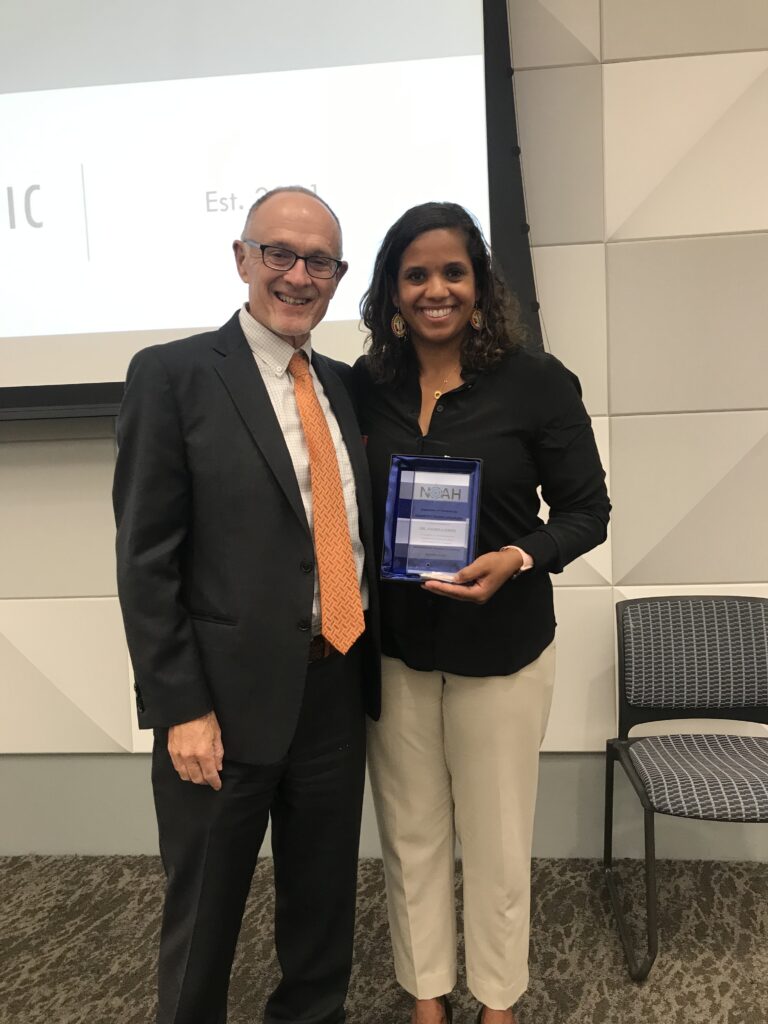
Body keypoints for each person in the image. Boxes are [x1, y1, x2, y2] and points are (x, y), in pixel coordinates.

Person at [113, 185, 381, 1024]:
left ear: (339, 276)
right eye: (280, 254)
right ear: (242, 258)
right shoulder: (174, 376)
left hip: (335, 686)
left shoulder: (344, 386)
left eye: (321, 262)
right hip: (219, 710)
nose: (300, 276)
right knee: (204, 916)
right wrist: (179, 708)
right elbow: (145, 561)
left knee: (323, 905)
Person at [352, 202, 610, 1024]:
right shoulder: (366, 388)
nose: (436, 290)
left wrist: (521, 556)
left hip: (502, 650)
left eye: (453, 272)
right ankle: (428, 996)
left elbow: (587, 511)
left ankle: (497, 1003)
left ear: (480, 283)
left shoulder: (537, 382)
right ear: (393, 290)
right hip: (396, 650)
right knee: (412, 835)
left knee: (497, 843)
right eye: (417, 274)